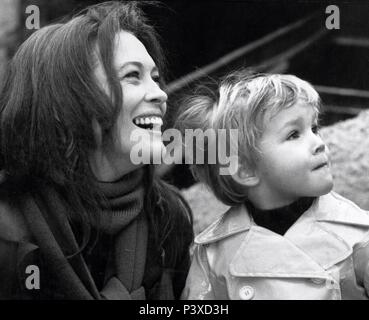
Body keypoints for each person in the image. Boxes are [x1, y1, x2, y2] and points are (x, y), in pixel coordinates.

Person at [0, 1, 193, 300]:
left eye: (155, 78)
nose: (160, 94)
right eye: (132, 76)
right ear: (65, 102)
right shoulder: (7, 227)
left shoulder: (170, 217)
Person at [176, 70, 369, 299]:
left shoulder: (359, 234)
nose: (318, 142)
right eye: (294, 134)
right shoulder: (214, 256)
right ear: (245, 170)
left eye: (314, 128)